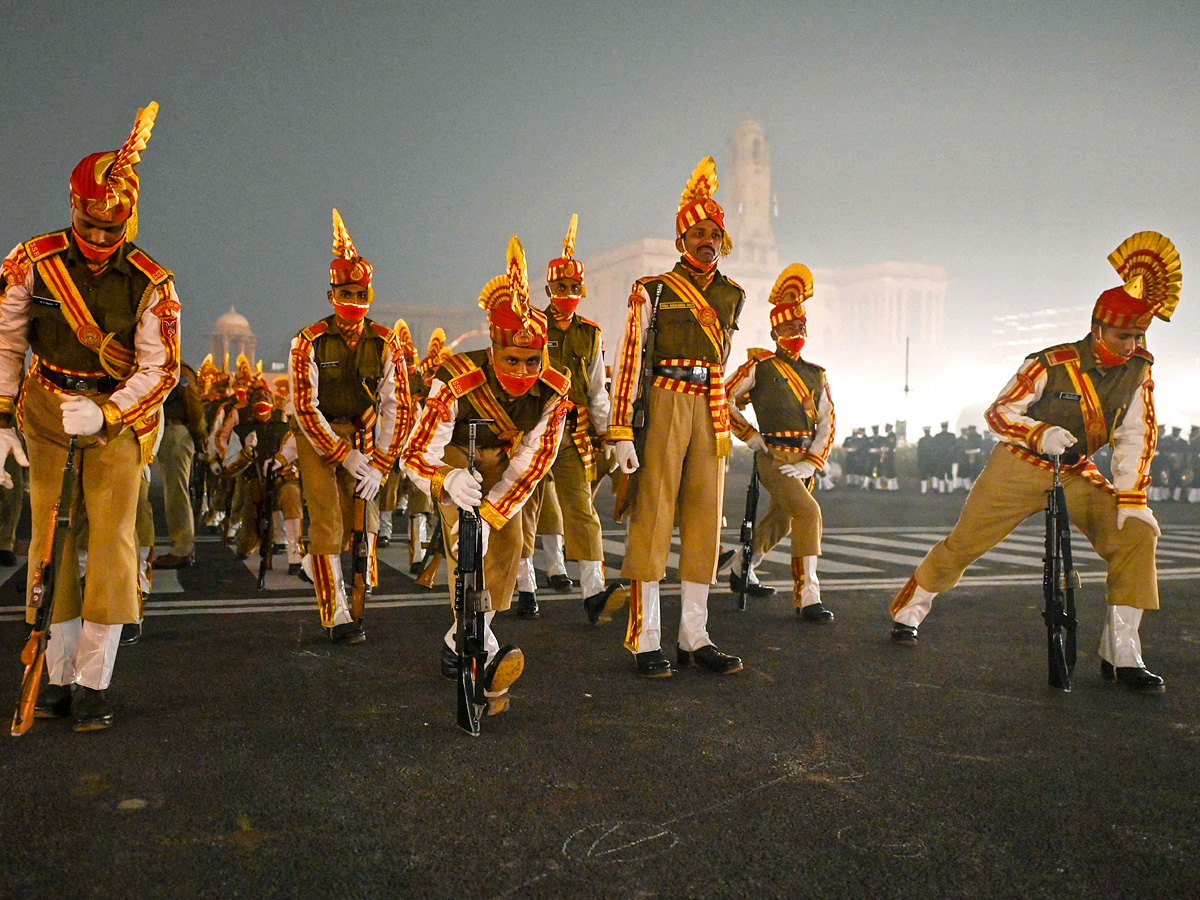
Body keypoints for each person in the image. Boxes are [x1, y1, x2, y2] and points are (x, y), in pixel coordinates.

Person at [888, 232, 1180, 692]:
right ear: (1098, 327)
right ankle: (912, 607)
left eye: (1139, 335)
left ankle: (1122, 650)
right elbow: (999, 411)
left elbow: (1136, 435)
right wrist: (1039, 433)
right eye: (1124, 335)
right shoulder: (1050, 362)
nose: (1131, 344)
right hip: (1019, 463)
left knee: (1138, 534)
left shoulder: (1140, 371)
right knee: (965, 543)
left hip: (1077, 470)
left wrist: (1131, 497)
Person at [0, 102, 180, 730]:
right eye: (88, 225)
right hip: (46, 408)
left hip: (115, 417)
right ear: (72, 207)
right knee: (48, 542)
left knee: (110, 541)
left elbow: (160, 370)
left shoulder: (152, 281)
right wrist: (0, 421)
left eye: (113, 229)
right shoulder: (32, 260)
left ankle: (93, 680)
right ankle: (52, 673)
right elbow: (6, 341)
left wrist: (105, 413)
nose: (99, 240)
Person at [404, 235, 571, 716]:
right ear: (493, 346)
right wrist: (446, 482)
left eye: (532, 360)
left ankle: (464, 641)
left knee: (506, 542)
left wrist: (497, 505)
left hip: (504, 463)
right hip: (453, 456)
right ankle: (487, 650)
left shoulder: (555, 390)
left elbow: (535, 459)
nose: (522, 370)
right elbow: (416, 452)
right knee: (464, 544)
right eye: (512, 360)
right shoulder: (454, 377)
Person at [608, 156, 746, 677]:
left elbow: (722, 362)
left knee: (705, 519)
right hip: (664, 399)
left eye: (714, 233)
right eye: (697, 232)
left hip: (709, 406)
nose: (706, 240)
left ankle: (694, 634)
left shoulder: (732, 295)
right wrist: (622, 431)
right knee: (654, 515)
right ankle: (645, 638)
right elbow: (628, 363)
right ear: (680, 240)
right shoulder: (654, 289)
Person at [289, 210, 411, 643]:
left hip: (364, 433)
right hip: (318, 435)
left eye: (361, 292)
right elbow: (304, 408)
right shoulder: (308, 340)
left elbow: (399, 405)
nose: (354, 300)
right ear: (330, 293)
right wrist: (343, 454)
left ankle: (350, 579)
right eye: (346, 291)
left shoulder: (385, 341)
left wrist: (379, 463)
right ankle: (335, 612)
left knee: (362, 518)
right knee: (326, 522)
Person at [526, 215, 624, 624]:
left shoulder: (591, 333)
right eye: (560, 287)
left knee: (581, 509)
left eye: (574, 288)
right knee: (526, 510)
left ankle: (594, 591)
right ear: (547, 290)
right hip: (532, 430)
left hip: (576, 431)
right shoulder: (528, 325)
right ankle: (525, 585)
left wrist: (613, 436)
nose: (567, 294)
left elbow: (598, 390)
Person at [725, 264, 836, 620]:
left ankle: (743, 566)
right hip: (773, 454)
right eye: (789, 327)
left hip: (803, 458)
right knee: (808, 513)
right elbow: (722, 397)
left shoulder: (816, 374)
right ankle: (808, 595)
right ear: (775, 332)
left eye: (801, 327)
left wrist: (813, 461)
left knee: (781, 520)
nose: (797, 333)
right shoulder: (760, 365)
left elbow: (827, 421)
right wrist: (750, 436)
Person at [152, 359, 206, 568]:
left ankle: (182, 548)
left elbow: (192, 403)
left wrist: (199, 435)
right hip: (166, 431)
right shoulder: (167, 365)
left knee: (176, 491)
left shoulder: (179, 369)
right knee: (173, 489)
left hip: (175, 431)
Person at [917, 425, 937, 493]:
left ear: (924, 432)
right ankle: (934, 487)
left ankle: (924, 489)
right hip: (932, 460)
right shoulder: (933, 439)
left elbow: (919, 451)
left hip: (923, 460)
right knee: (933, 474)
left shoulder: (921, 440)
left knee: (923, 475)